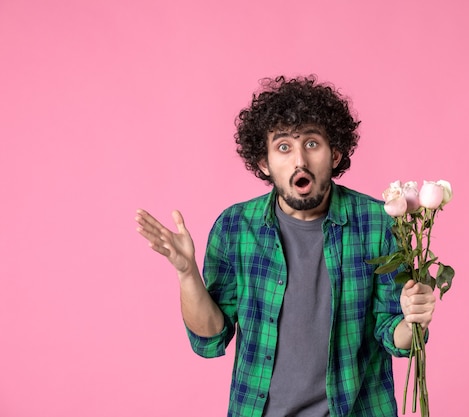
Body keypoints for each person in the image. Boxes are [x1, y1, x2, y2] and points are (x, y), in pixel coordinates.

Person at [135, 76, 436, 417]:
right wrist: (187, 273)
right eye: (283, 147)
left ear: (335, 153)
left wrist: (414, 321)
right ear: (263, 163)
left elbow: (393, 335)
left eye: (311, 144)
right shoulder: (235, 227)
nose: (299, 162)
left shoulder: (378, 222)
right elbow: (211, 338)